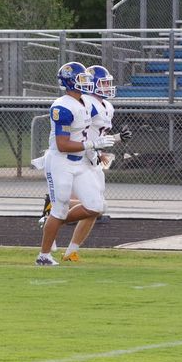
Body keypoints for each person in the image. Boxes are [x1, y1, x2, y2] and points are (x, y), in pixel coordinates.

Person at [35, 62, 113, 266]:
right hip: (60, 162)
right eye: (82, 79)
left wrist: (96, 149)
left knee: (95, 206)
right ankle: (43, 256)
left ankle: (53, 222)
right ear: (70, 81)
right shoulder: (62, 106)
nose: (87, 82)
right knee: (60, 208)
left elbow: (91, 132)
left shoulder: (85, 103)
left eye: (87, 79)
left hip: (80, 161)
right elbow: (62, 145)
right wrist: (92, 144)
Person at [56, 65, 130, 263]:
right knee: (95, 206)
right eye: (103, 83)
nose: (107, 87)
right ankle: (54, 218)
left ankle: (71, 251)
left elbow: (98, 135)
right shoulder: (87, 103)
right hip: (81, 157)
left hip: (92, 156)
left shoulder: (107, 106)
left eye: (108, 83)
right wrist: (92, 150)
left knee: (97, 208)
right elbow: (83, 133)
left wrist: (109, 144)